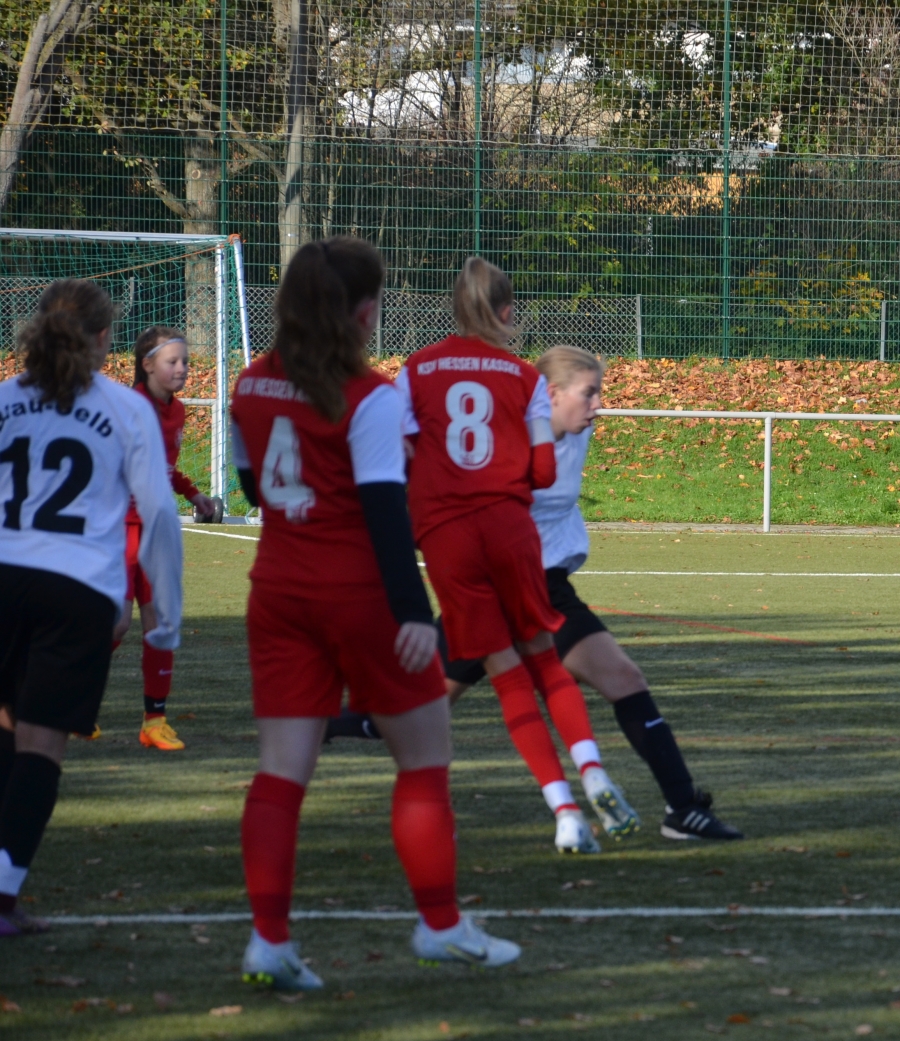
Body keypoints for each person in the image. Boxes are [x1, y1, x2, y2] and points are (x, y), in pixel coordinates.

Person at [229, 235, 517, 989]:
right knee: (422, 763)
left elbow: (253, 487)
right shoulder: (370, 396)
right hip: (359, 596)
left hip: (278, 591)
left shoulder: (249, 383)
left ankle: (268, 941)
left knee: (280, 774)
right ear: (361, 311)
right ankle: (440, 925)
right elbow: (387, 514)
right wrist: (415, 613)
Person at [329, 346, 744, 842]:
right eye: (589, 393)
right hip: (496, 588)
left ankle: (683, 810)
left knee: (623, 679)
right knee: (405, 713)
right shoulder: (504, 440)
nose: (599, 405)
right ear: (550, 394)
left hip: (542, 586)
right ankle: (323, 728)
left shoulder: (575, 431)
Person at [397, 257, 640, 853]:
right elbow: (542, 470)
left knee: (506, 675)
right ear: (508, 313)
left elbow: (399, 454)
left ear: (453, 308)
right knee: (546, 664)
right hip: (510, 529)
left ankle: (565, 812)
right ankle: (593, 772)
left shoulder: (416, 369)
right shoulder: (524, 377)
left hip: (449, 536)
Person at [0, 281, 184, 936]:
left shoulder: (5, 399)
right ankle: (4, 895)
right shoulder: (125, 408)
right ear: (106, 338)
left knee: (6, 726)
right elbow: (160, 513)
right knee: (41, 745)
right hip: (76, 589)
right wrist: (168, 612)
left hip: (5, 575)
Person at [123, 325, 220, 751]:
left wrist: (193, 493)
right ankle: (67, 703)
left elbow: (165, 467)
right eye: (173, 362)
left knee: (160, 624)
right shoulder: (126, 408)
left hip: (157, 529)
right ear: (147, 365)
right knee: (112, 623)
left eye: (185, 362)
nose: (182, 369)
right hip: (119, 528)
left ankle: (154, 721)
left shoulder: (177, 412)